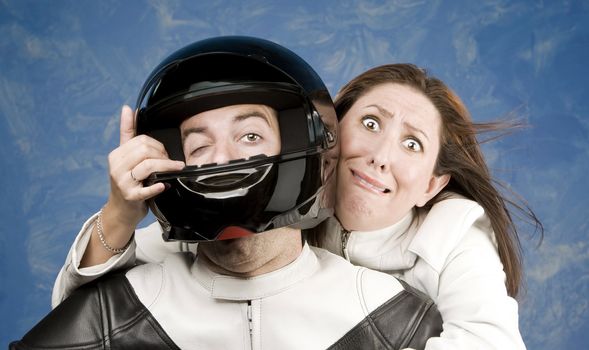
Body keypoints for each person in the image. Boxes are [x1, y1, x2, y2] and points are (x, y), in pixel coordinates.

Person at [52, 56, 537, 348]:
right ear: (325, 131)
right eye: (370, 123)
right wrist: (121, 210)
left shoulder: (454, 235)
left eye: (412, 144)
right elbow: (89, 314)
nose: (379, 156)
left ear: (432, 185)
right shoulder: (276, 197)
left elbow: (490, 343)